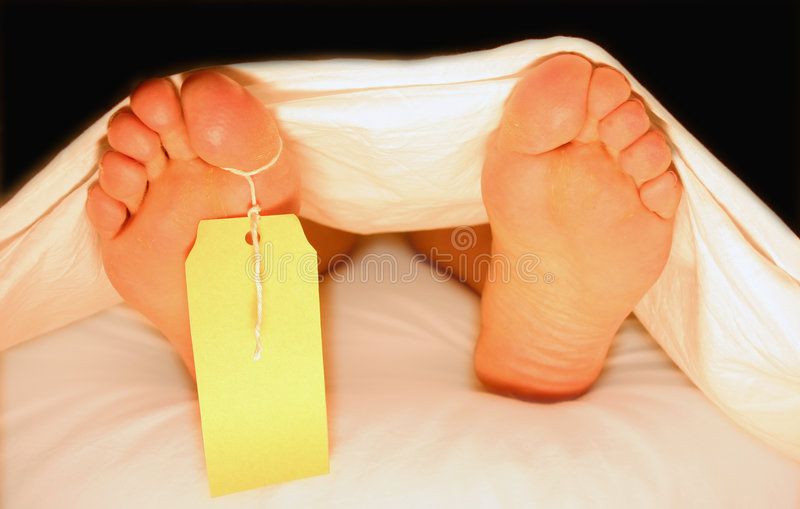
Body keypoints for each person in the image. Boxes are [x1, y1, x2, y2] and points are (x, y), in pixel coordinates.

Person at [85, 53, 682, 402]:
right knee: (454, 223)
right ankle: (513, 270)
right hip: (458, 188)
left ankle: (282, 279)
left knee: (326, 225)